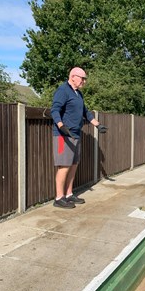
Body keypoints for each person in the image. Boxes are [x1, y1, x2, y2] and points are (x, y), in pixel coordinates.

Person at [51, 67, 107, 208]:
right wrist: (61, 125)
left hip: (76, 134)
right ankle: (59, 198)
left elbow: (85, 112)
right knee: (63, 166)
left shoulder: (78, 94)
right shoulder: (63, 90)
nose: (84, 81)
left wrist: (97, 125)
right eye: (83, 78)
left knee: (73, 166)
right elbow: (55, 109)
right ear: (73, 77)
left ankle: (69, 194)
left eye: (84, 79)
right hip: (63, 136)